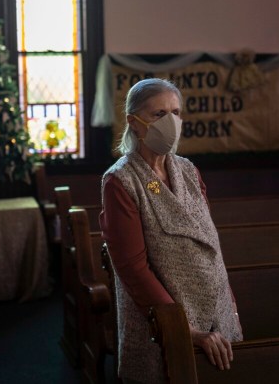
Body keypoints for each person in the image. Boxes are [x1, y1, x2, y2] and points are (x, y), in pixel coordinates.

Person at [100, 77, 243, 384]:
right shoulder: (121, 180)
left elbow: (210, 242)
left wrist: (228, 303)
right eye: (159, 114)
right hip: (164, 321)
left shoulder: (188, 170)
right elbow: (132, 268)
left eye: (176, 113)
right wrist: (180, 329)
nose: (172, 122)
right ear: (134, 123)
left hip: (215, 315)